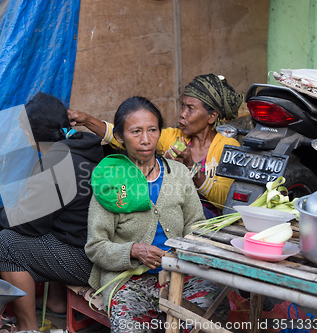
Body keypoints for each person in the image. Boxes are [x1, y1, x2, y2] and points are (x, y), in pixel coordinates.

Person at [85, 96, 228, 333]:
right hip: (129, 282)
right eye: (136, 132)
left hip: (181, 276)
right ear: (119, 137)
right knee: (129, 325)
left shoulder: (179, 173)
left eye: (152, 130)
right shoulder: (112, 182)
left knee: (213, 308)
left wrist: (183, 254)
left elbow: (196, 223)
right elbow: (96, 247)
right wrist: (133, 250)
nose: (145, 140)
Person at [0, 92, 104, 333]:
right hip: (96, 246)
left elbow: (31, 224)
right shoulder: (89, 147)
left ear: (30, 135)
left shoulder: (55, 163)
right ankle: (56, 303)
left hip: (89, 260)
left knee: (8, 244)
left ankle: (28, 327)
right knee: (59, 223)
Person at [69, 74, 243, 216]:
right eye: (182, 105)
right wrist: (87, 120)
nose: (182, 114)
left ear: (212, 116)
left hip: (205, 221)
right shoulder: (172, 137)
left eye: (190, 108)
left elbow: (225, 198)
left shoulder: (227, 146)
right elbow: (127, 135)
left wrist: (191, 167)